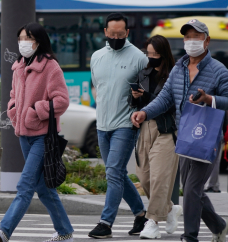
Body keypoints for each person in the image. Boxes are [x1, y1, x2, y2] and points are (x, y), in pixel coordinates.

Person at [131, 19, 228, 242]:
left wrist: (209, 99)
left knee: (192, 188)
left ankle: (190, 236)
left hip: (208, 137)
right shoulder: (179, 68)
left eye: (196, 36)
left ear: (207, 40)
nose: (191, 41)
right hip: (184, 137)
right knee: (193, 190)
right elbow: (165, 99)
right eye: (187, 37)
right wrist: (145, 112)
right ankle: (220, 226)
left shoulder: (219, 71)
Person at [0, 22, 74, 242]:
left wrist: (36, 110)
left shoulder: (50, 66)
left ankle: (5, 230)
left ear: (37, 40)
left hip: (43, 136)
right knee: (43, 189)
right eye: (20, 39)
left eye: (27, 38)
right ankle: (65, 232)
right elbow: (13, 95)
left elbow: (62, 101)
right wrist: (14, 110)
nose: (22, 43)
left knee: (25, 184)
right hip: (24, 135)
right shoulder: (18, 66)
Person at [88, 12, 148, 239]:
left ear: (127, 33)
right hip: (102, 125)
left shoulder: (139, 58)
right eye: (112, 34)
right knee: (117, 173)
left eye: (120, 34)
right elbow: (98, 88)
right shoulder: (96, 56)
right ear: (105, 32)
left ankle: (106, 222)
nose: (116, 37)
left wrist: (140, 99)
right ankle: (141, 215)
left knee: (113, 172)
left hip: (126, 124)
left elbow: (150, 93)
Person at [128, 35, 182, 239]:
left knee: (159, 176)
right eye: (149, 54)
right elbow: (133, 103)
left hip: (167, 128)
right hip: (145, 128)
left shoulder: (175, 75)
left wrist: (147, 100)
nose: (152, 58)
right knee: (143, 175)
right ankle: (169, 208)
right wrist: (134, 98)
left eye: (156, 54)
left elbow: (170, 103)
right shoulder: (143, 74)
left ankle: (152, 222)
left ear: (164, 54)